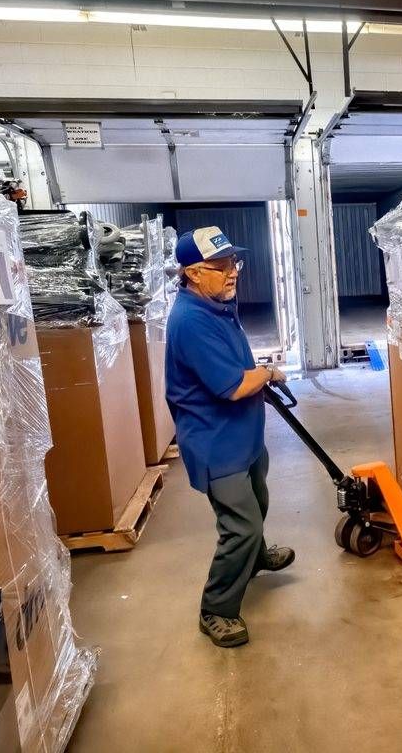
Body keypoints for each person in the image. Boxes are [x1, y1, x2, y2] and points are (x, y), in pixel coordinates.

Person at [165, 225, 294, 648]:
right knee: (240, 526)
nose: (231, 272)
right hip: (215, 441)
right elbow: (233, 386)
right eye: (219, 266)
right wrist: (269, 373)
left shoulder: (217, 304)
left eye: (232, 262)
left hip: (243, 434)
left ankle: (254, 559)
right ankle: (216, 609)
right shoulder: (190, 321)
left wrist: (257, 375)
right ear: (192, 274)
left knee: (258, 503)